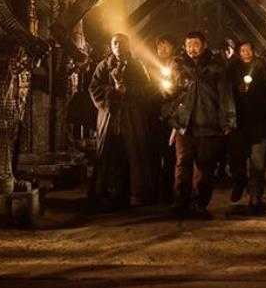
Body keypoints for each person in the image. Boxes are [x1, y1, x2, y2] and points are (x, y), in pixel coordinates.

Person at [166, 31, 236, 219]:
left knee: (205, 167)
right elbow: (172, 96)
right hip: (184, 125)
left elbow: (225, 96)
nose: (192, 49)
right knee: (182, 165)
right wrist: (172, 118)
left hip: (208, 124)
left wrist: (228, 122)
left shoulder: (216, 67)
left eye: (195, 44)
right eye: (188, 45)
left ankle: (199, 204)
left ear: (204, 45)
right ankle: (180, 202)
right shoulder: (178, 66)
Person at [89, 33, 153, 210]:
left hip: (131, 117)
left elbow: (148, 90)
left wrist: (128, 91)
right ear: (111, 46)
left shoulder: (137, 66)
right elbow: (94, 88)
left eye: (121, 43)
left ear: (128, 45)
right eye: (115, 43)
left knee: (133, 153)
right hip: (110, 117)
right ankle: (105, 195)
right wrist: (112, 92)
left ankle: (135, 194)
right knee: (108, 154)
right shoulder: (103, 66)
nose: (118, 46)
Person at [229, 41, 266, 214]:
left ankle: (255, 196)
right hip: (238, 124)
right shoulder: (232, 70)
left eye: (248, 49)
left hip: (260, 123)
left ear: (254, 51)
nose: (246, 52)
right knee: (237, 161)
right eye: (242, 50)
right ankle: (239, 183)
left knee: (258, 162)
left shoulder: (264, 69)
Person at [149, 34, 177, 203]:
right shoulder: (149, 65)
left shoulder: (178, 65)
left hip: (171, 117)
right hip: (154, 115)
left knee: (170, 155)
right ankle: (156, 190)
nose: (162, 49)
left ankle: (169, 191)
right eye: (160, 46)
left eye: (166, 45)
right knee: (154, 154)